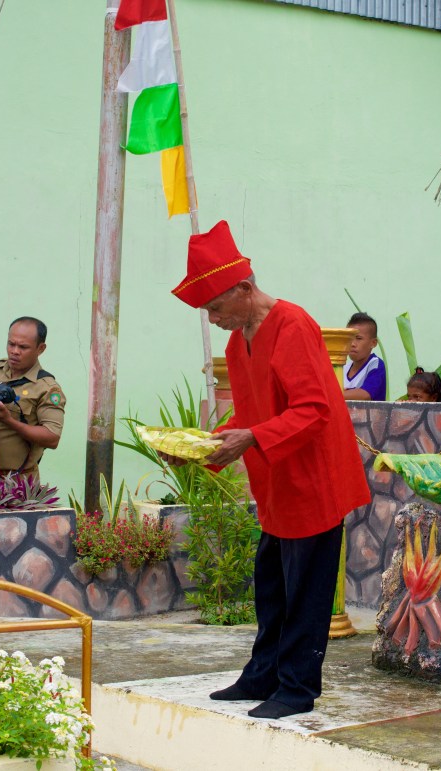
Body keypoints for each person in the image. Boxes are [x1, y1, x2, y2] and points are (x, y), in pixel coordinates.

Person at [169, 220, 370, 720]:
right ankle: (263, 674)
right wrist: (202, 445)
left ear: (244, 288)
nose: (212, 319)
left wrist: (251, 437)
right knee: (272, 584)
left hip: (314, 479)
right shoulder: (240, 343)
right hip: (278, 480)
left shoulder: (293, 324)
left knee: (305, 590)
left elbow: (314, 409)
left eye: (215, 308)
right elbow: (252, 412)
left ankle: (297, 688)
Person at [0, 317, 65, 480]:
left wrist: (9, 421)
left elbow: (52, 438)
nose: (15, 351)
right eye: (11, 344)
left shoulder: (47, 388)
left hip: (18, 480)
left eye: (23, 347)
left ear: (41, 348)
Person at [343, 312, 386, 401]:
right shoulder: (344, 367)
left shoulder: (375, 364)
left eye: (358, 338)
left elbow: (365, 395)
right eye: (349, 338)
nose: (352, 344)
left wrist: (336, 394)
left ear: (373, 343)